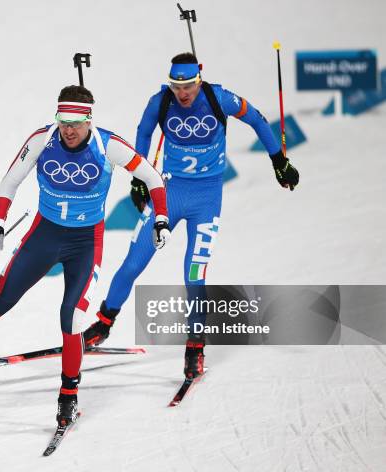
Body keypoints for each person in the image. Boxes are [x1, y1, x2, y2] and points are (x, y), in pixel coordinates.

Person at [0, 85, 171, 426]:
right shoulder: (42, 140)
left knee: (72, 318)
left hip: (85, 243)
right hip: (45, 235)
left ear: (89, 120)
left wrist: (161, 218)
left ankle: (68, 395)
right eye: (62, 121)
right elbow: (9, 182)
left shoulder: (108, 145)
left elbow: (152, 177)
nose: (68, 130)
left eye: (75, 123)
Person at [83, 53, 299, 380]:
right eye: (176, 85)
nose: (182, 93)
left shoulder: (219, 98)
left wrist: (278, 162)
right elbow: (142, 134)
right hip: (169, 193)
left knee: (193, 275)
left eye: (188, 86)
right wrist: (140, 178)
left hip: (207, 199)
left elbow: (256, 118)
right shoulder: (161, 102)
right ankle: (104, 322)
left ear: (199, 79)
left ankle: (195, 345)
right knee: (132, 263)